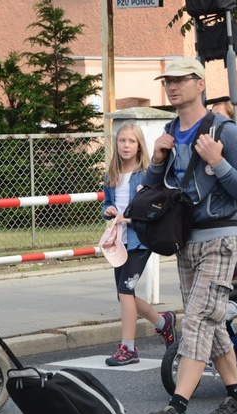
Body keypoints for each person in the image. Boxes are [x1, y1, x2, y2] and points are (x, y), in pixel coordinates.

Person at [144, 57, 237, 414]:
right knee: (211, 320)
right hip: (185, 240)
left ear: (200, 83)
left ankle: (177, 406)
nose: (172, 87)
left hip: (221, 238)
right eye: (168, 81)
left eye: (180, 80)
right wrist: (157, 161)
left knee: (196, 318)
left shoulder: (224, 130)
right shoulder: (168, 130)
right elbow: (152, 189)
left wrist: (219, 162)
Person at [101, 121, 177, 366]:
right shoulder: (111, 175)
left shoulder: (145, 174)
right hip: (119, 242)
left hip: (139, 241)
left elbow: (155, 208)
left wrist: (132, 218)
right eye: (122, 140)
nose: (126, 145)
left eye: (131, 141)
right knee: (123, 294)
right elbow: (106, 205)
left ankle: (129, 348)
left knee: (125, 291)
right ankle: (163, 322)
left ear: (139, 145)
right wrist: (109, 212)